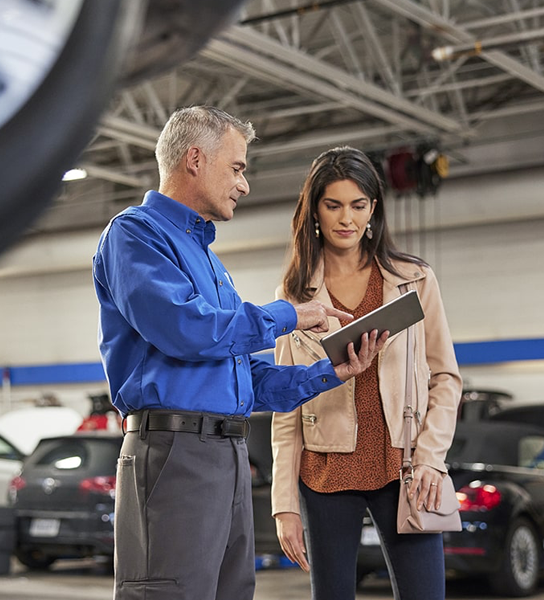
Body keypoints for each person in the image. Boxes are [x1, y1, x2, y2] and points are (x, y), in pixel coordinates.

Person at [92, 107, 388, 600]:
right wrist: (288, 315)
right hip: (173, 454)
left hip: (227, 456)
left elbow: (241, 375)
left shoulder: (209, 260)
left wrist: (328, 372)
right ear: (194, 159)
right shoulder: (135, 234)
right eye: (237, 168)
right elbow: (186, 330)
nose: (244, 185)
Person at [271, 146, 462, 600]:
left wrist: (433, 456)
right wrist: (284, 507)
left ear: (374, 209)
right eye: (333, 205)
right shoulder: (294, 295)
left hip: (405, 469)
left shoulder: (415, 279)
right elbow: (285, 404)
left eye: (358, 205)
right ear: (314, 210)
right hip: (324, 473)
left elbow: (446, 378)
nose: (346, 219)